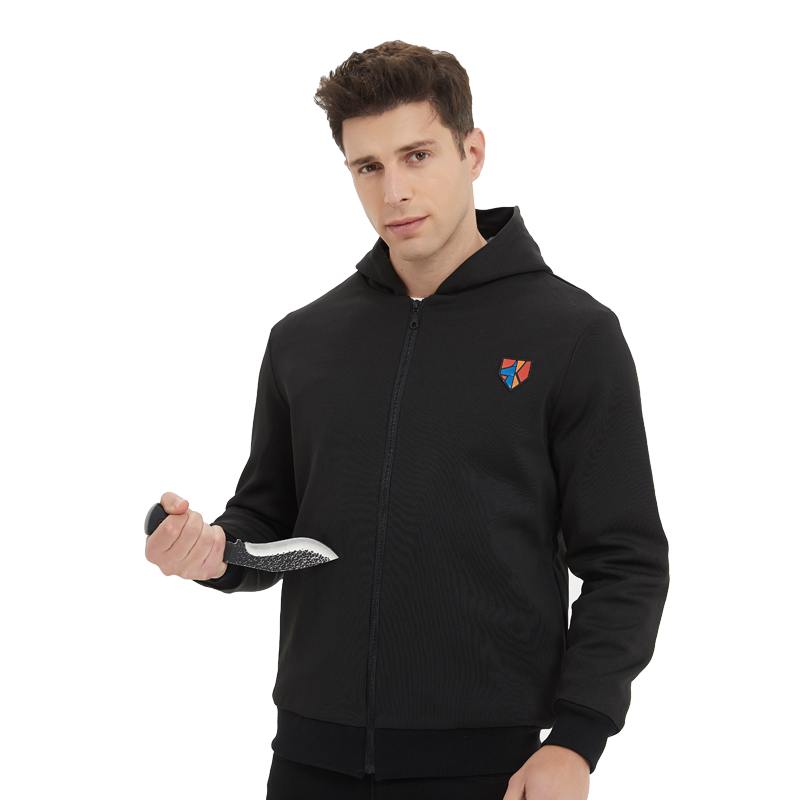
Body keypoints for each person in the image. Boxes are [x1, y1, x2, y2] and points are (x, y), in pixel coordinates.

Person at [145, 41, 669, 800]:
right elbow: (271, 524)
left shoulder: (574, 335)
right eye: (368, 166)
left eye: (417, 155)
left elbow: (627, 560)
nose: (394, 190)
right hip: (308, 761)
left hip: (491, 769)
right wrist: (212, 554)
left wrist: (577, 741)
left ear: (472, 151)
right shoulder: (303, 339)